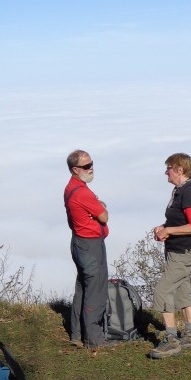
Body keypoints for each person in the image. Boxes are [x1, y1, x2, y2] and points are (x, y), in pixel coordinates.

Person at [149, 153, 191, 359]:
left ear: (180, 170)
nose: (166, 172)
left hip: (184, 250)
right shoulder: (180, 191)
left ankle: (171, 340)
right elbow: (179, 220)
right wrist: (164, 227)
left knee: (162, 291)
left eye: (169, 168)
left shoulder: (190, 193)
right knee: (182, 288)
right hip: (179, 249)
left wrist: (169, 231)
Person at [64, 150, 115, 350]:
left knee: (83, 288)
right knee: (95, 290)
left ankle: (77, 334)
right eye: (86, 166)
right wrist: (100, 207)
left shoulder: (71, 188)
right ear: (75, 169)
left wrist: (96, 207)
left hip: (78, 243)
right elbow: (103, 216)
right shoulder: (83, 192)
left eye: (91, 164)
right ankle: (94, 340)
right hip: (90, 245)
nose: (91, 168)